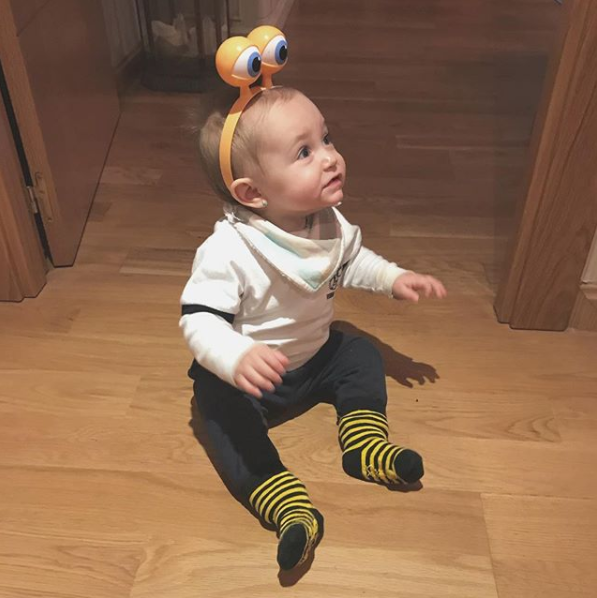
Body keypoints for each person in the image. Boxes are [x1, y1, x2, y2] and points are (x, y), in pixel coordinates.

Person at [180, 85, 447, 570]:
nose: (329, 158)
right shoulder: (228, 251)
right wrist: (235, 356)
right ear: (252, 193)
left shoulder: (327, 223)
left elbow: (351, 261)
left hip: (313, 358)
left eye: (326, 138)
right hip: (252, 382)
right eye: (304, 152)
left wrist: (392, 278)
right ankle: (283, 501)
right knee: (216, 406)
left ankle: (364, 444)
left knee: (359, 353)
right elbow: (198, 320)